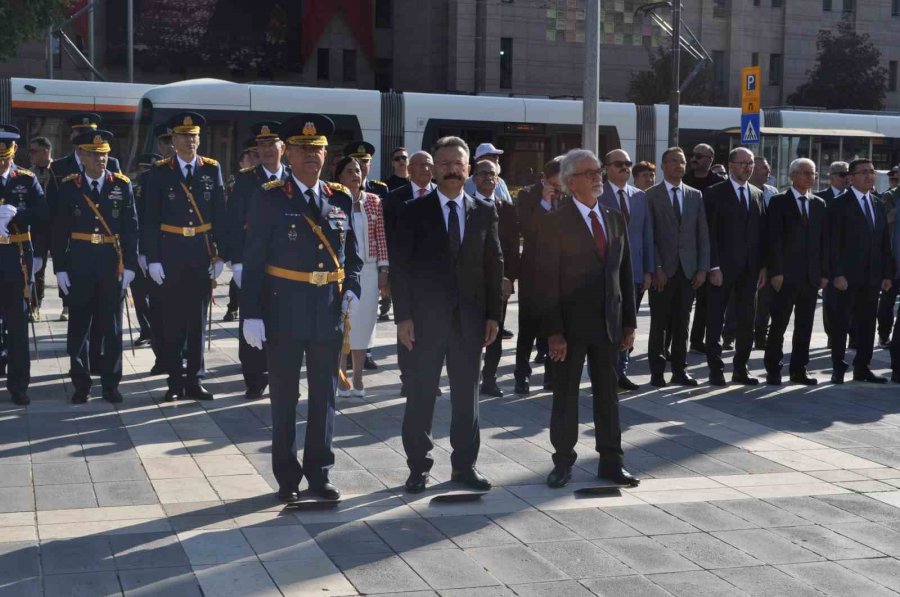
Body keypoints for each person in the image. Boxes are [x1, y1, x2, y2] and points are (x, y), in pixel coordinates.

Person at [241, 114, 362, 502]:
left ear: (327, 154)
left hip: (327, 310)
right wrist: (252, 313)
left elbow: (353, 257)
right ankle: (287, 477)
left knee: (325, 395)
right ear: (288, 153)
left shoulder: (339, 196)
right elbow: (254, 257)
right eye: (303, 149)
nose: (312, 155)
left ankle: (319, 473)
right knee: (285, 396)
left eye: (318, 149)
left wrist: (353, 288)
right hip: (284, 308)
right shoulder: (270, 196)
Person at [393, 136, 503, 494]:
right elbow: (401, 268)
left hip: (470, 323)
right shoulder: (413, 211)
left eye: (458, 164)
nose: (452, 171)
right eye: (444, 164)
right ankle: (418, 467)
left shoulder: (485, 211)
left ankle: (464, 466)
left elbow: (493, 266)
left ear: (468, 169)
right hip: (424, 323)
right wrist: (403, 318)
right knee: (421, 396)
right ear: (434, 170)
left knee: (466, 399)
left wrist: (493, 316)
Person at [536, 149, 638, 489]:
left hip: (608, 324)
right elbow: (546, 281)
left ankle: (612, 462)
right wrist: (554, 332)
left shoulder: (614, 218)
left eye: (598, 172)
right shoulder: (554, 222)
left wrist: (629, 323)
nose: (598, 177)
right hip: (569, 328)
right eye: (589, 173)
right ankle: (562, 463)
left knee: (608, 396)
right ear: (570, 182)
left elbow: (624, 273)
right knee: (565, 397)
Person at [142, 112, 226, 402]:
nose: (189, 141)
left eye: (194, 136)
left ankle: (195, 379)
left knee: (197, 322)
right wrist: (152, 258)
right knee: (172, 321)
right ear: (173, 141)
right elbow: (149, 218)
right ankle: (175, 380)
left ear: (199, 139)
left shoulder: (211, 169)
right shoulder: (160, 171)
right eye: (183, 136)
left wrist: (221, 256)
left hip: (201, 254)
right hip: (171, 253)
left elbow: (220, 214)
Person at [52, 130, 138, 404]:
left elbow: (131, 227)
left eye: (104, 154)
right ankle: (81, 384)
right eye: (94, 154)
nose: (101, 159)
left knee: (111, 326)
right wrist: (60, 267)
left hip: (111, 263)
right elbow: (58, 230)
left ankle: (111, 384)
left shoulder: (121, 185)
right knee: (79, 326)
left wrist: (132, 265)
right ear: (82, 156)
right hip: (80, 261)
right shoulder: (69, 187)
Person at [225, 121, 286, 400]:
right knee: (252, 315)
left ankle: (280, 371)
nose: (267, 150)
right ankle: (254, 377)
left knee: (283, 318)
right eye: (261, 146)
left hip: (287, 262)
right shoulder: (246, 180)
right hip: (252, 261)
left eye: (271, 145)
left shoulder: (293, 177)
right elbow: (234, 222)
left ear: (282, 148)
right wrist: (235, 261)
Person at [826, 158, 893, 384]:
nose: (869, 176)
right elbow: (832, 243)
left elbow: (884, 242)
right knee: (841, 323)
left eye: (872, 172)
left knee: (867, 324)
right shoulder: (838, 204)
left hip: (872, 277)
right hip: (846, 277)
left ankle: (862, 367)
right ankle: (838, 366)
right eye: (863, 172)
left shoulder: (877, 203)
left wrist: (886, 274)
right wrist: (836, 274)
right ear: (851, 178)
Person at [646, 147, 709, 387]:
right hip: (663, 271)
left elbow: (702, 234)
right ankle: (657, 371)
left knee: (683, 323)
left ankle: (680, 370)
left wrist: (703, 268)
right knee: (659, 323)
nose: (678, 165)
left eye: (682, 161)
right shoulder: (651, 195)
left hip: (688, 270)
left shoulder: (695, 195)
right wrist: (657, 267)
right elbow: (649, 236)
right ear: (663, 165)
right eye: (673, 161)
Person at [704, 147, 767, 386]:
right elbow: (709, 232)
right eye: (743, 163)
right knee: (716, 319)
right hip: (722, 269)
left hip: (750, 270)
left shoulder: (757, 193)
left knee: (746, 320)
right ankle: (716, 369)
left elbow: (761, 233)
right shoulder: (714, 193)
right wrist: (713, 266)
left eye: (750, 164)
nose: (747, 168)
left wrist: (763, 267)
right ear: (730, 165)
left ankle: (741, 368)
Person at [763, 158, 827, 386]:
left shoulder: (819, 204)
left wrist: (824, 273)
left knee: (805, 325)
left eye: (813, 173)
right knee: (779, 324)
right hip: (785, 276)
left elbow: (822, 242)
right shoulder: (779, 202)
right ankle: (773, 369)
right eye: (805, 173)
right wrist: (776, 271)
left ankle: (799, 369)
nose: (810, 177)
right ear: (792, 176)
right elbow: (774, 240)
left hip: (810, 277)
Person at [0, 125, 48, 405]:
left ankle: (19, 386)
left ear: (14, 151)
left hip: (17, 260)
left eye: (5, 158)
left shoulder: (27, 180)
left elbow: (43, 214)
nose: (1, 163)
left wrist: (18, 214)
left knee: (18, 326)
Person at [599, 149, 653, 391]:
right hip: (607, 271)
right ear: (606, 168)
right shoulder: (598, 194)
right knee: (609, 323)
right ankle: (606, 370)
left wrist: (650, 269)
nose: (624, 168)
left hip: (636, 270)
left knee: (628, 324)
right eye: (618, 164)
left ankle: (621, 370)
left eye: (628, 163)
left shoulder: (640, 197)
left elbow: (646, 235)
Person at [334, 156, 389, 398]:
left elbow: (380, 237)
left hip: (368, 269)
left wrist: (384, 270)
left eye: (358, 170)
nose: (356, 175)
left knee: (363, 326)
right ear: (339, 176)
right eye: (349, 171)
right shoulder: (332, 200)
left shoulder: (374, 201)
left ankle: (357, 377)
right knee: (342, 324)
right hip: (340, 271)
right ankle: (339, 377)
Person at [383, 151, 434, 397]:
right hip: (405, 275)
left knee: (433, 330)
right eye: (420, 165)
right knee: (407, 326)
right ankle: (408, 378)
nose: (425, 169)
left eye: (429, 165)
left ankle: (430, 379)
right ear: (409, 170)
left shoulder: (441, 195)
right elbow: (387, 238)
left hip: (435, 278)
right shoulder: (394, 199)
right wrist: (387, 273)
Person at [514, 157, 562, 395]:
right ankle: (521, 375)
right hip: (533, 271)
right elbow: (527, 230)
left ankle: (552, 375)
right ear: (544, 180)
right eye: (554, 183)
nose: (558, 188)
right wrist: (544, 202)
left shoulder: (569, 195)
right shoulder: (527, 195)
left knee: (555, 323)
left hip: (560, 272)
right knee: (527, 326)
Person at [471, 159, 519, 398]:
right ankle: (469, 376)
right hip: (471, 281)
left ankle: (489, 378)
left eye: (492, 174)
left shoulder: (508, 209)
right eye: (482, 174)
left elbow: (511, 247)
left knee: (495, 332)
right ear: (474, 178)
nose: (488, 178)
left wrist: (509, 277)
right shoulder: (465, 205)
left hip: (498, 281)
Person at [683, 144, 725, 354]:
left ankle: (698, 339)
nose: (694, 159)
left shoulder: (719, 185)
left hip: (709, 246)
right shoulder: (684, 181)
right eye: (692, 155)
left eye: (699, 156)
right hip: (685, 248)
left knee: (706, 301)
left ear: (710, 159)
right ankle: (672, 343)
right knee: (682, 301)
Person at [130, 153, 162, 356]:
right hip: (139, 249)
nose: (145, 174)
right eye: (142, 170)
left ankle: (157, 333)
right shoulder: (134, 191)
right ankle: (146, 329)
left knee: (158, 297)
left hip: (160, 251)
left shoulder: (161, 190)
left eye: (149, 170)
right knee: (140, 294)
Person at [750, 156, 778, 351]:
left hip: (768, 252)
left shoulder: (773, 193)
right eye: (763, 169)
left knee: (765, 299)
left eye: (768, 169)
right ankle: (730, 333)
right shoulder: (745, 192)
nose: (767, 172)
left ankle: (761, 335)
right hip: (748, 252)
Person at [27, 137, 52, 321]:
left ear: (45, 152)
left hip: (58, 226)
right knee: (37, 266)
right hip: (38, 228)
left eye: (34, 151)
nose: (30, 155)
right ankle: (35, 305)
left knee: (64, 265)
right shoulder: (28, 174)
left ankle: (67, 305)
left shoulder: (59, 171)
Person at [877, 166, 898, 347]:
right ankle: (884, 334)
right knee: (887, 302)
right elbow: (886, 218)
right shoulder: (890, 196)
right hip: (892, 259)